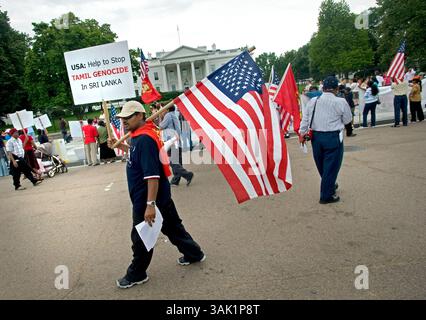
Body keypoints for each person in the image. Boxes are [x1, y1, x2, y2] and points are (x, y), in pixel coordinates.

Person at [110, 101, 205, 289]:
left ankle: (136, 273)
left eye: (128, 117)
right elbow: (138, 158)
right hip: (157, 196)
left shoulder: (144, 138)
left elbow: (152, 174)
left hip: (148, 198)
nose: (124, 121)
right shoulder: (139, 136)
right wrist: (123, 148)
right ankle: (194, 254)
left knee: (141, 237)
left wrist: (150, 204)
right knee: (174, 229)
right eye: (122, 118)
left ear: (140, 115)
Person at [299, 76, 352, 204]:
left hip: (316, 137)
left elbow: (305, 118)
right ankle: (326, 195)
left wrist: (302, 132)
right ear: (336, 88)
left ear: (323, 88)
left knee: (322, 165)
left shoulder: (313, 101)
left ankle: (330, 184)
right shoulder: (340, 102)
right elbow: (347, 120)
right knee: (331, 166)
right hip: (332, 136)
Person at [159, 105, 194, 186]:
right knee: (177, 162)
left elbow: (161, 126)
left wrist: (160, 116)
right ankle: (175, 180)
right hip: (177, 141)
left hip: (172, 142)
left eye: (162, 109)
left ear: (166, 109)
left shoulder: (168, 115)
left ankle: (188, 175)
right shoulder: (174, 114)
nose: (161, 111)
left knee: (173, 162)